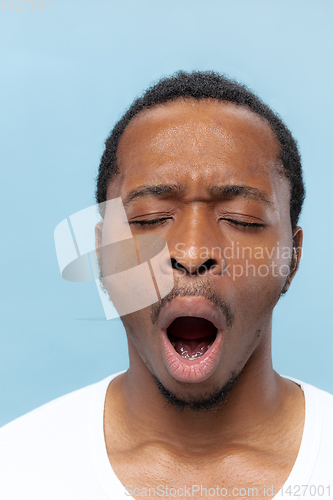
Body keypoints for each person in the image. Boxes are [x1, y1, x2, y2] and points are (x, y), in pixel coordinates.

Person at [1, 71, 332, 500]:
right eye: (149, 218)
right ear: (103, 255)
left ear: (292, 257)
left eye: (241, 218)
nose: (192, 253)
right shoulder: (17, 470)